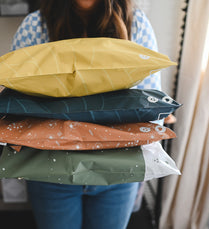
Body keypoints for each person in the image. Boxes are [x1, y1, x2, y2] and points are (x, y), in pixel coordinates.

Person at [10, 0, 162, 228]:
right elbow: (18, 101)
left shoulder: (136, 24)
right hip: (52, 173)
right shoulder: (35, 25)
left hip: (117, 172)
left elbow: (150, 103)